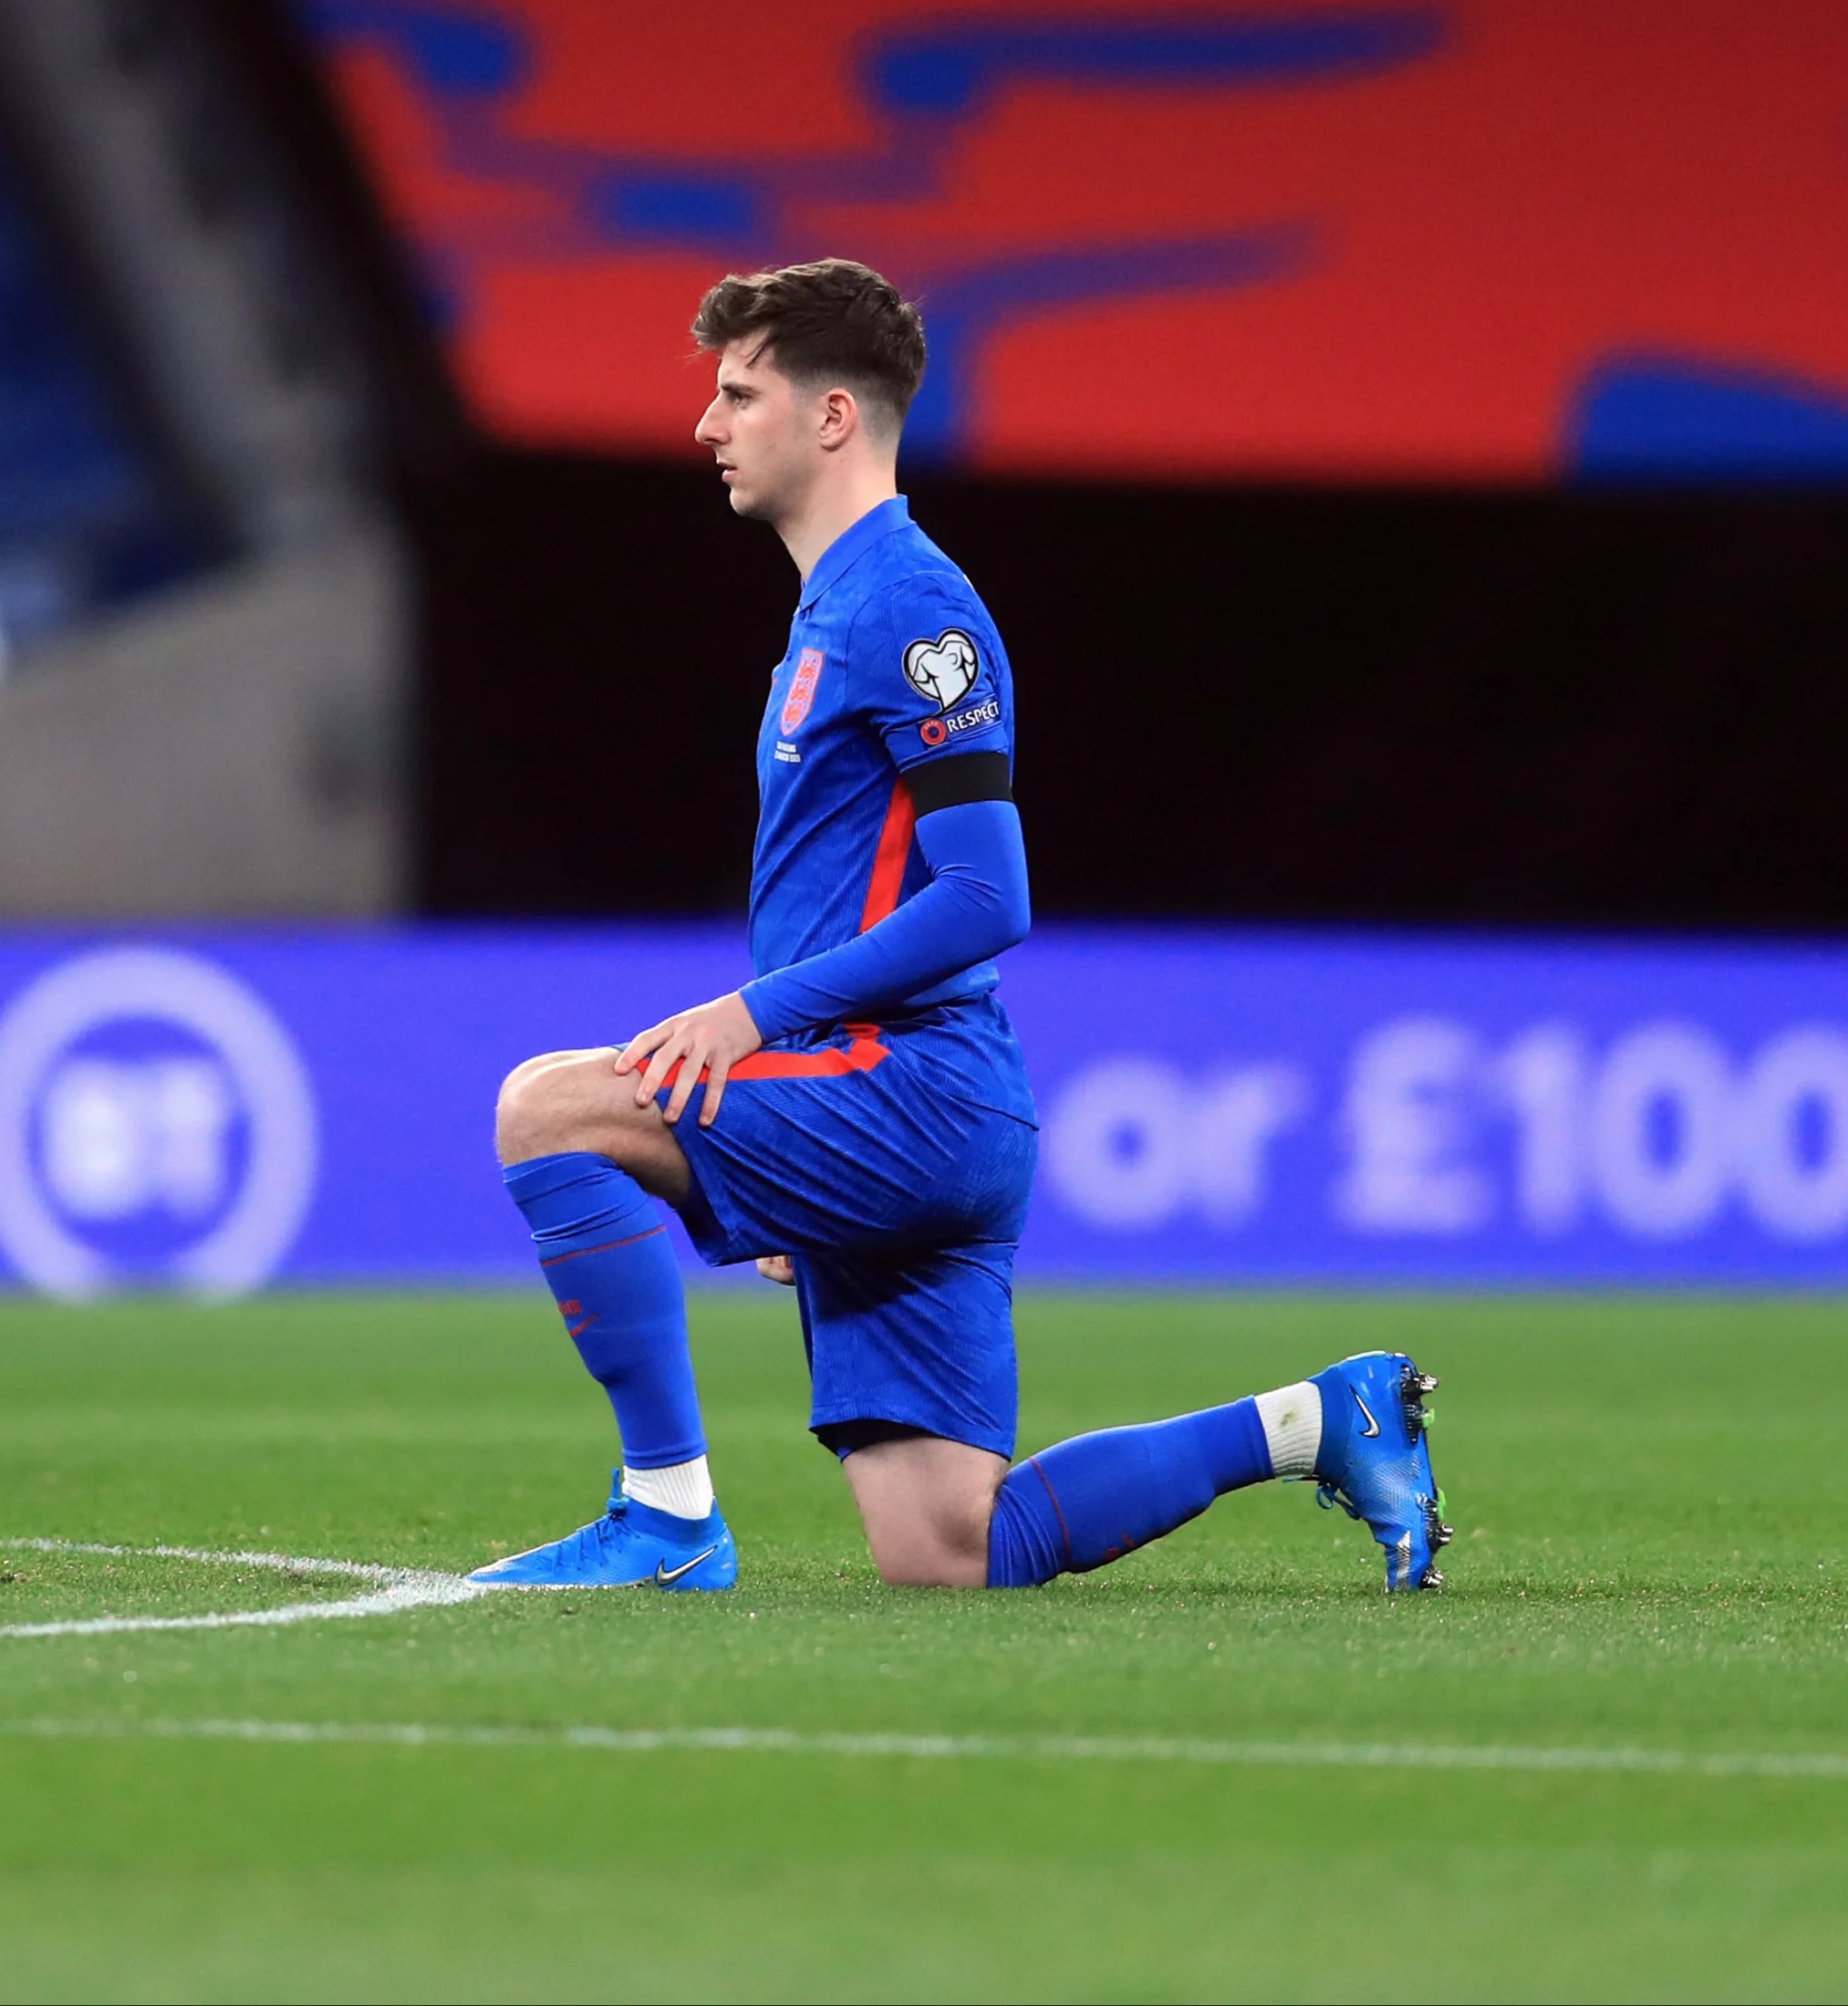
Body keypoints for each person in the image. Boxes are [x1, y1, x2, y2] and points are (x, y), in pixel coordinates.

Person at [474, 258, 1448, 1593]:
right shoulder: (835, 607)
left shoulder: (910, 608)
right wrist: (784, 1150)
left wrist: (754, 1020)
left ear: (829, 417)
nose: (705, 425)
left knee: (547, 1108)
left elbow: (990, 896)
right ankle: (1312, 1421)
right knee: (950, 1549)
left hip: (912, 1089)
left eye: (736, 393)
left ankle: (665, 1515)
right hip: (898, 1106)